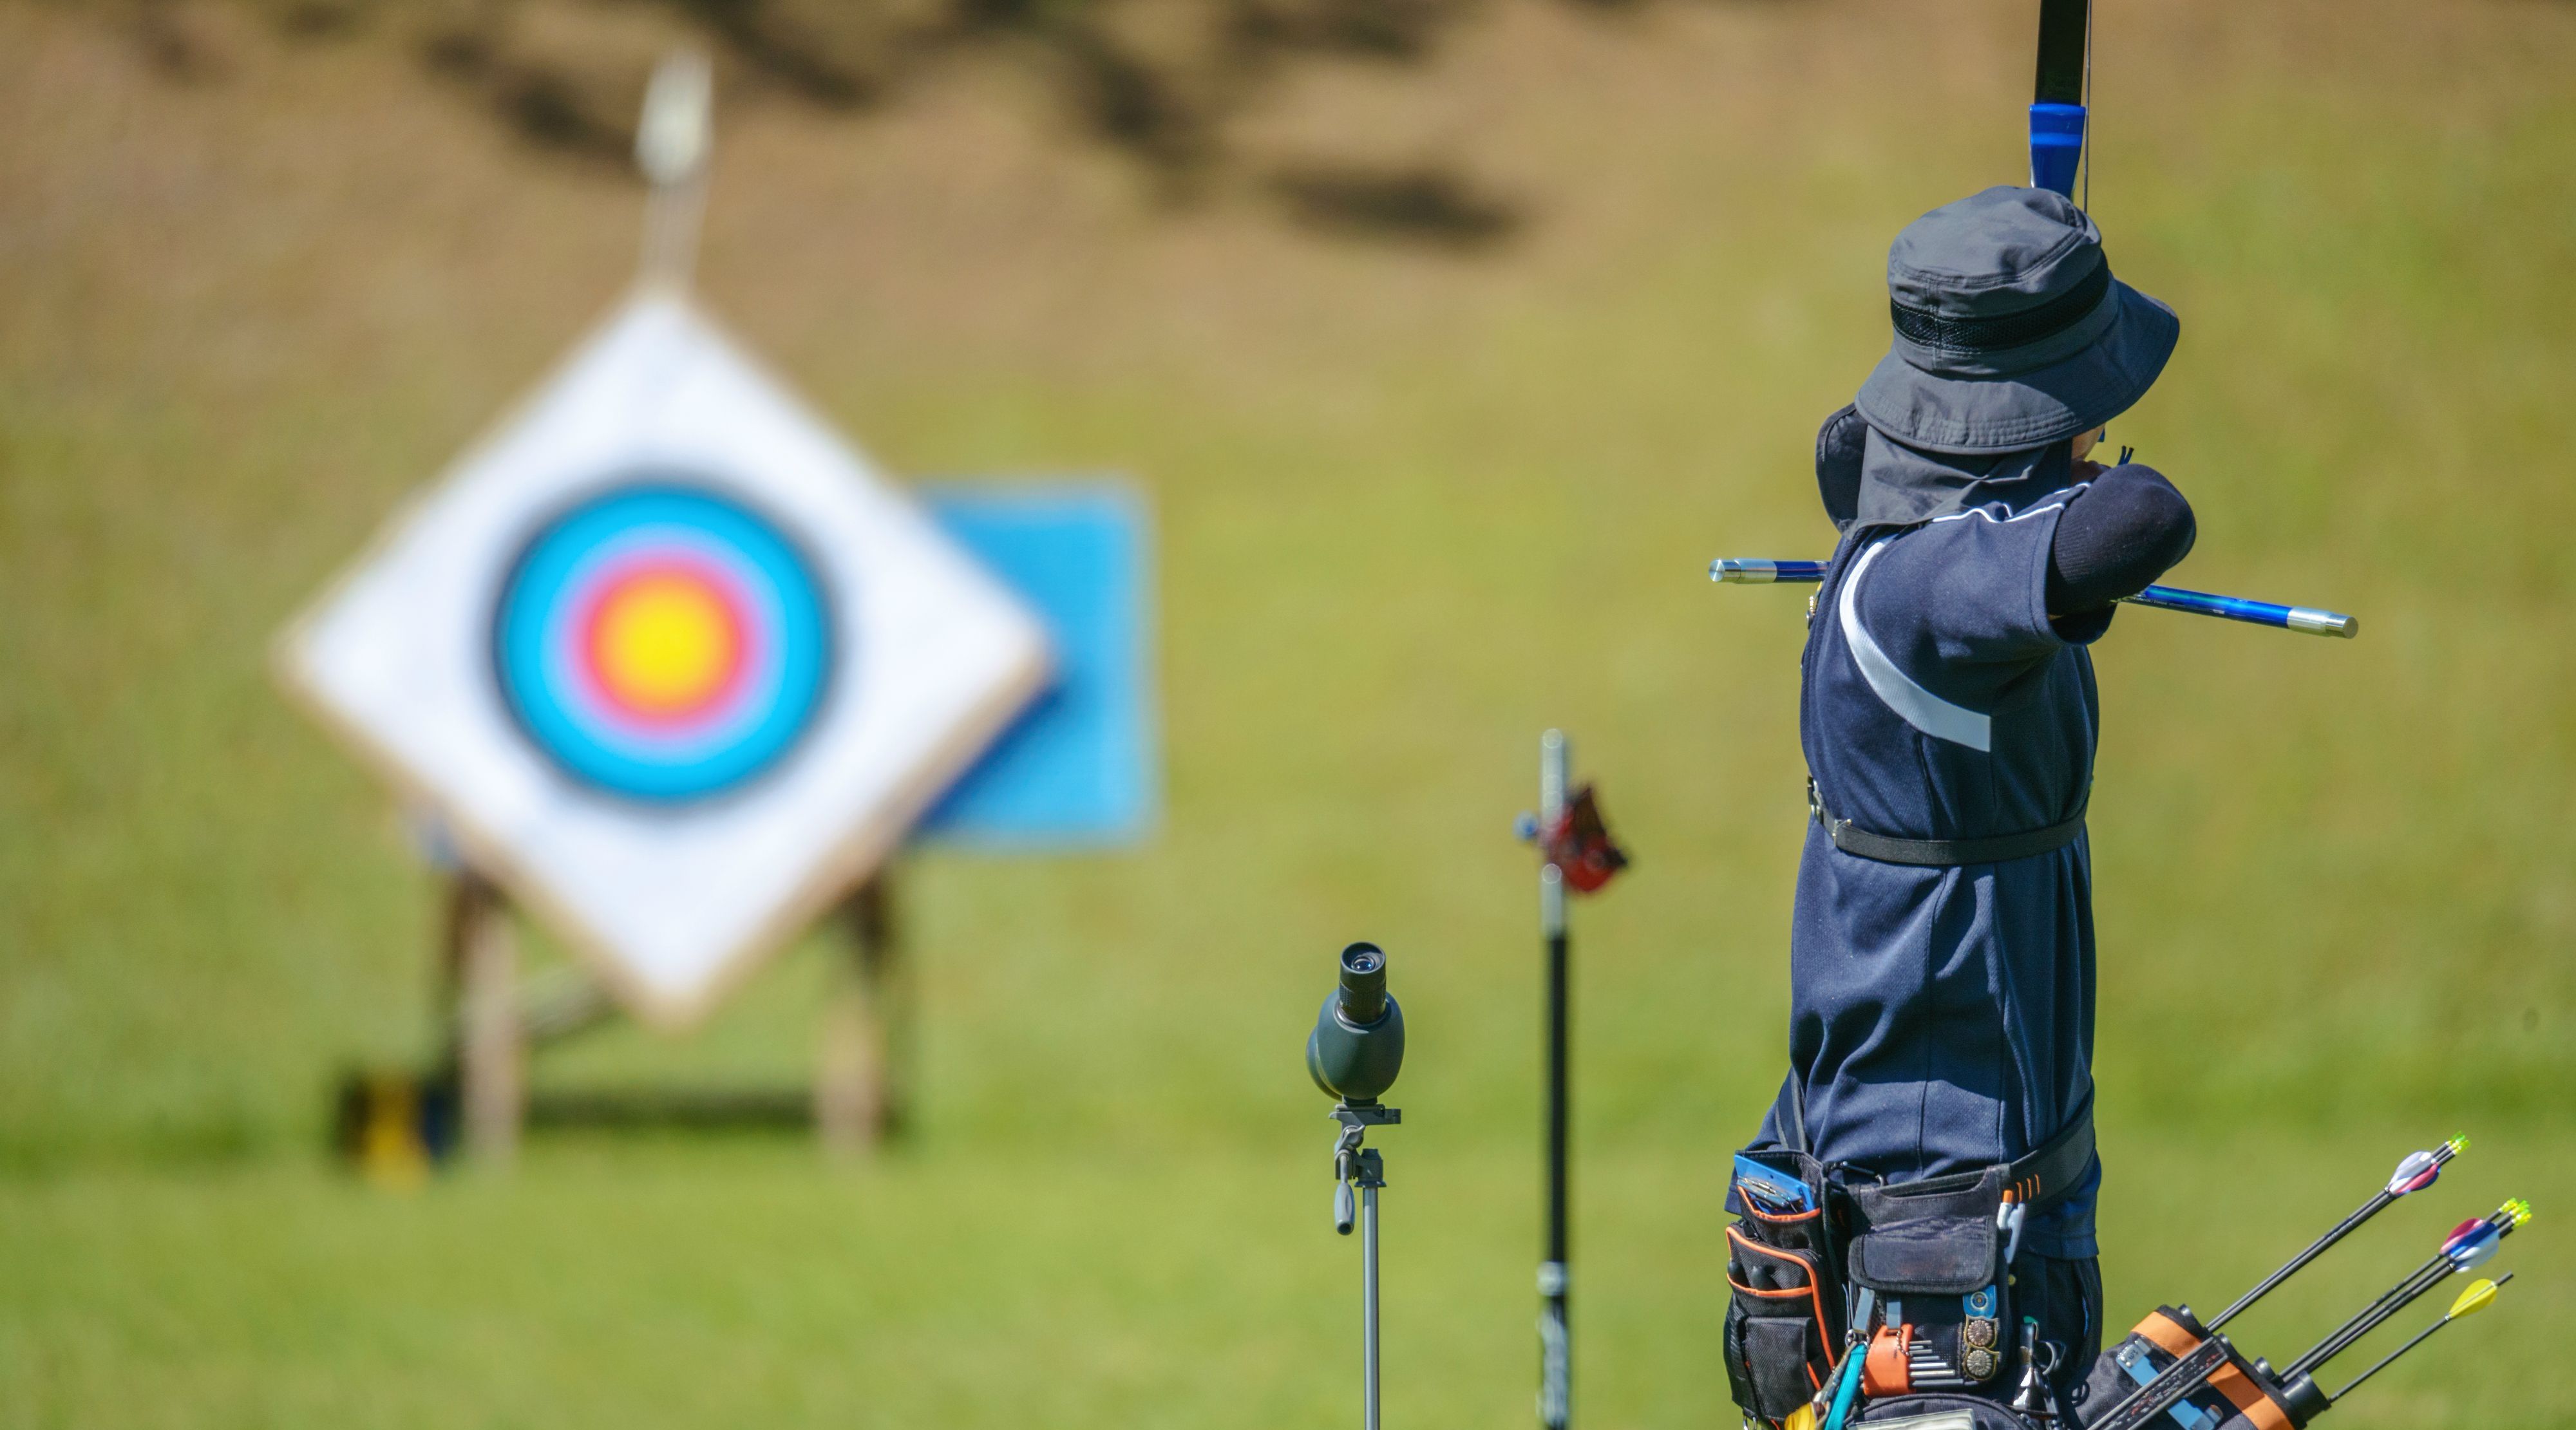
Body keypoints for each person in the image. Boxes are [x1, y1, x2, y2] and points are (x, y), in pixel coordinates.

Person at [1742, 185, 2197, 1409]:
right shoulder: (1926, 590)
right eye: (2089, 416)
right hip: (1940, 1218)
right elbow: (2145, 518)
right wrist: (2061, 472)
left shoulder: (1917, 547)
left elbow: (1857, 453)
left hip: (1975, 1182)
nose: (2105, 442)